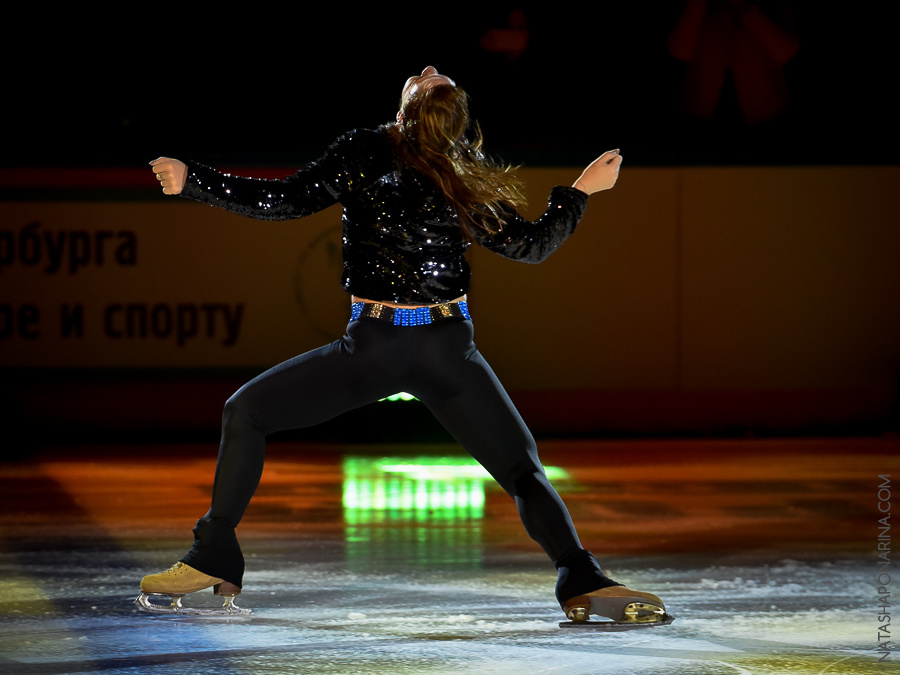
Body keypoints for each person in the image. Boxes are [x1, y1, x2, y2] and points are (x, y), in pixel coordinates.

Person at [138, 66, 668, 626]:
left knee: (245, 412)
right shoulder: (459, 169)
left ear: (409, 109)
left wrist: (194, 179)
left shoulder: (370, 150)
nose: (427, 69)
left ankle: (214, 552)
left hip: (379, 346)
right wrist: (581, 191)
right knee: (522, 470)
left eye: (429, 79)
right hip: (448, 349)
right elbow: (531, 246)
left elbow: (287, 200)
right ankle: (579, 574)